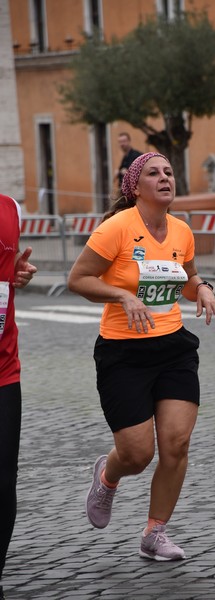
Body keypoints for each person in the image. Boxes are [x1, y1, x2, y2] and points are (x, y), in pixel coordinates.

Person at [67, 152, 215, 561]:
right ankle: (107, 477)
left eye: (169, 172)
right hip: (123, 352)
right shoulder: (116, 228)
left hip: (172, 347)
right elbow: (78, 279)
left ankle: (155, 533)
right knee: (138, 454)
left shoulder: (181, 230)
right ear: (135, 187)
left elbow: (187, 279)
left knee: (176, 444)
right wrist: (122, 294)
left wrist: (204, 287)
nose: (164, 178)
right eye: (154, 173)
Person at [0, 195, 37, 600]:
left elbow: (4, 279)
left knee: (3, 480)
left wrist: (13, 274)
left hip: (3, 367)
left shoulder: (10, 207)